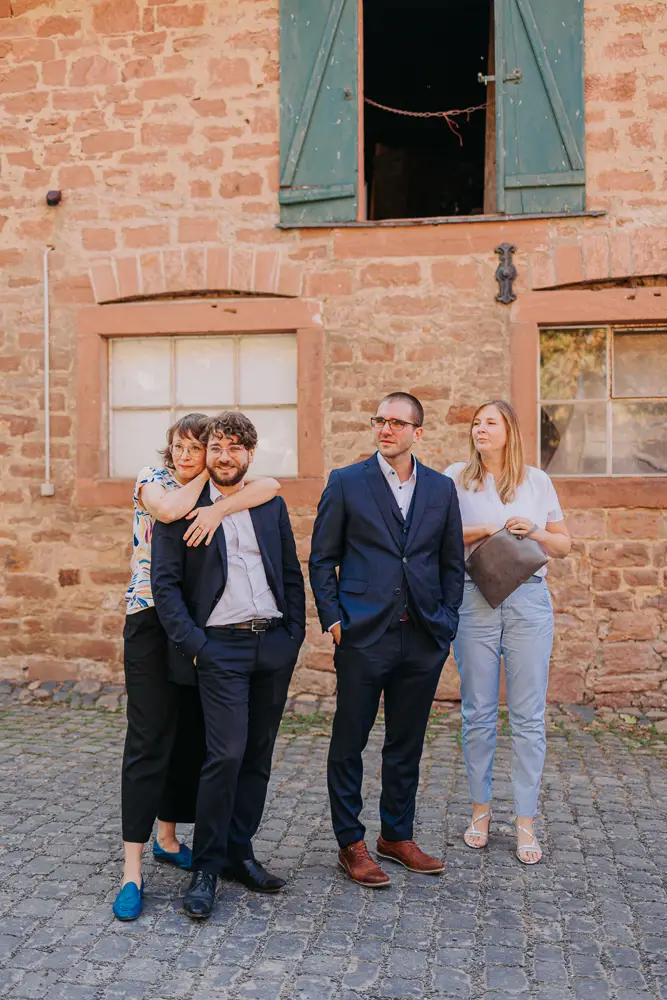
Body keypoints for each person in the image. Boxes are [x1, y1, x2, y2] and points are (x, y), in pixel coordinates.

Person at [113, 413, 281, 921]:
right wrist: (216, 478)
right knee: (148, 739)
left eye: (199, 447)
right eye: (184, 448)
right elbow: (168, 514)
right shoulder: (158, 483)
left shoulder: (220, 494)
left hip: (197, 628)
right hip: (150, 621)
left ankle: (169, 836)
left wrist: (225, 492)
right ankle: (132, 870)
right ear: (171, 451)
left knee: (193, 735)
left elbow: (270, 484)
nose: (191, 456)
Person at [151, 411, 305, 919]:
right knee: (226, 754)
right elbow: (166, 586)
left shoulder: (267, 504)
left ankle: (240, 852)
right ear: (207, 452)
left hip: (272, 644)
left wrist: (293, 635)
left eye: (235, 448)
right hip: (219, 649)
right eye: (217, 447)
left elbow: (288, 569)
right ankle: (207, 867)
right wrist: (197, 646)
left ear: (249, 456)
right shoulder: (182, 509)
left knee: (258, 754)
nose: (224, 456)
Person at [309, 392, 464, 888]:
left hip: (422, 635)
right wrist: (334, 620)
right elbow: (321, 559)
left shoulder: (440, 489)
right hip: (362, 633)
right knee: (349, 741)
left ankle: (396, 836)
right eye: (380, 420)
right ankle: (350, 842)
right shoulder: (347, 482)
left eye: (398, 423)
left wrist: (446, 621)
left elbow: (451, 562)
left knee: (406, 742)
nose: (386, 429)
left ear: (418, 432)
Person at [445, 399, 571, 865]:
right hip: (473, 597)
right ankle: (480, 812)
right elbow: (434, 536)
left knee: (528, 717)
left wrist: (534, 530)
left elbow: (562, 545)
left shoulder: (537, 481)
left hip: (528, 600)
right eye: (476, 423)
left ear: (509, 431)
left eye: (489, 422)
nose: (479, 429)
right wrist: (486, 528)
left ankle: (525, 821)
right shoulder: (456, 477)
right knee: (477, 712)